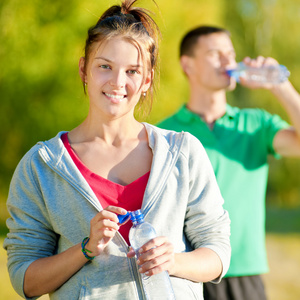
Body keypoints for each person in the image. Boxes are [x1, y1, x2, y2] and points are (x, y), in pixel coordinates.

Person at [3, 5, 231, 300]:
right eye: (105, 66)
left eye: (132, 71)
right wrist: (85, 249)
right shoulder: (41, 165)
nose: (118, 82)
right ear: (84, 69)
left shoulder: (184, 153)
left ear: (147, 80)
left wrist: (173, 260)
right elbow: (24, 279)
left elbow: (218, 253)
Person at [157, 25, 300, 300]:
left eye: (230, 54)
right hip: (187, 273)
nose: (227, 61)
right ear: (188, 65)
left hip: (245, 275)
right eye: (215, 53)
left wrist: (279, 85)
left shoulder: (256, 125)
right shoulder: (165, 135)